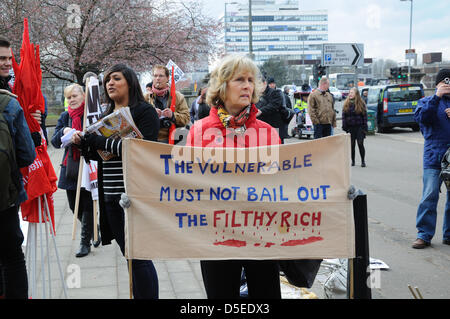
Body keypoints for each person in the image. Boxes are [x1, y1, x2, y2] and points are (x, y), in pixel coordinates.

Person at [187, 54, 281, 299]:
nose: (248, 85)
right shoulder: (199, 132)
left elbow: (284, 181)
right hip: (215, 233)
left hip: (261, 231)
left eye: (251, 80)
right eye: (240, 79)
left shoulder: (269, 132)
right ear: (222, 86)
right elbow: (186, 182)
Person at [72, 64, 160, 298]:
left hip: (134, 197)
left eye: (116, 78)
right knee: (129, 257)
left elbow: (141, 151)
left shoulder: (144, 112)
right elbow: (102, 157)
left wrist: (99, 142)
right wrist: (85, 145)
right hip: (110, 196)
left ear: (130, 82)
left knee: (139, 258)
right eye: (107, 80)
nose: (110, 83)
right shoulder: (104, 117)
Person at [51, 84, 100, 257]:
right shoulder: (65, 117)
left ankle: (84, 242)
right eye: (68, 97)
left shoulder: (92, 115)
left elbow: (99, 137)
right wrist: (65, 131)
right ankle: (95, 227)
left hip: (88, 165)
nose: (71, 100)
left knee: (87, 203)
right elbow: (55, 142)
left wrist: (83, 138)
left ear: (84, 96)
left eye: (74, 96)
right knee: (73, 206)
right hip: (70, 166)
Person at [412, 69, 450, 249]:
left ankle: (448, 234)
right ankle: (424, 235)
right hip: (434, 157)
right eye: (445, 83)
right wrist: (437, 97)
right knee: (429, 196)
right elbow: (422, 118)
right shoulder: (426, 101)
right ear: (437, 84)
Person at [146, 65, 190, 143]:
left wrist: (172, 115)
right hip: (151, 140)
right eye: (155, 75)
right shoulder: (145, 98)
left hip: (172, 140)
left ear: (167, 78)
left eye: (161, 76)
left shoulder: (178, 97)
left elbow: (186, 118)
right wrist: (151, 114)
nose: (157, 78)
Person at [342, 87, 368, 167]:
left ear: (356, 94)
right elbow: (344, 116)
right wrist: (345, 126)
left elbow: (364, 116)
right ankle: (352, 161)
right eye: (350, 93)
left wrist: (364, 128)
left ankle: (363, 161)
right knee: (352, 145)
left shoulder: (361, 103)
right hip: (350, 127)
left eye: (352, 93)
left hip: (359, 127)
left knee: (360, 143)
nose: (350, 94)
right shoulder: (346, 104)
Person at [256, 76, 286, 143]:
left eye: (259, 84)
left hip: (275, 125)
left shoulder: (275, 93)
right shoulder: (255, 96)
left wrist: (261, 111)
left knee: (277, 149)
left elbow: (274, 105)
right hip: (261, 128)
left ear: (265, 83)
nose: (258, 87)